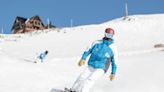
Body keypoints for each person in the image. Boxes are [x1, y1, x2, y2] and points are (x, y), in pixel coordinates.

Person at [69, 28, 118, 92]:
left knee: (91, 79)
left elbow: (114, 62)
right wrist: (83, 58)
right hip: (91, 64)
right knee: (82, 77)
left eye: (110, 35)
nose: (109, 37)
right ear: (105, 34)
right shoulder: (96, 42)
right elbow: (88, 50)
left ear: (113, 36)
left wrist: (113, 73)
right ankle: (73, 90)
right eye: (107, 35)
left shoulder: (113, 48)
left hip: (102, 67)